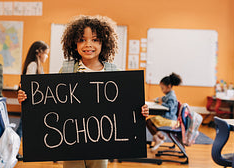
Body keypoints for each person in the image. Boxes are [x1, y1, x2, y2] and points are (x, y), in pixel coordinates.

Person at [17, 15, 149, 168]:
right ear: (73, 43)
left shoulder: (113, 73)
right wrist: (27, 100)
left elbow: (125, 108)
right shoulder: (67, 70)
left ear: (104, 42)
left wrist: (140, 111)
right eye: (81, 40)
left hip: (101, 145)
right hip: (72, 143)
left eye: (94, 39)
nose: (88, 45)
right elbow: (50, 103)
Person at [16, 40, 49, 137]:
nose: (47, 57)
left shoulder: (38, 66)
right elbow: (29, 84)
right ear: (39, 53)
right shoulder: (33, 65)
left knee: (23, 126)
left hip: (33, 102)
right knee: (22, 128)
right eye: (46, 54)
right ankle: (12, 150)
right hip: (30, 102)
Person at [146, 72, 182, 151]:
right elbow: (163, 99)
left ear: (168, 86)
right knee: (150, 122)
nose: (162, 90)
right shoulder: (169, 95)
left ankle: (158, 139)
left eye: (162, 88)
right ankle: (160, 137)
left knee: (149, 122)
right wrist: (158, 100)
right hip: (168, 117)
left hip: (170, 119)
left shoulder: (172, 96)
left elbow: (169, 107)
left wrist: (161, 103)